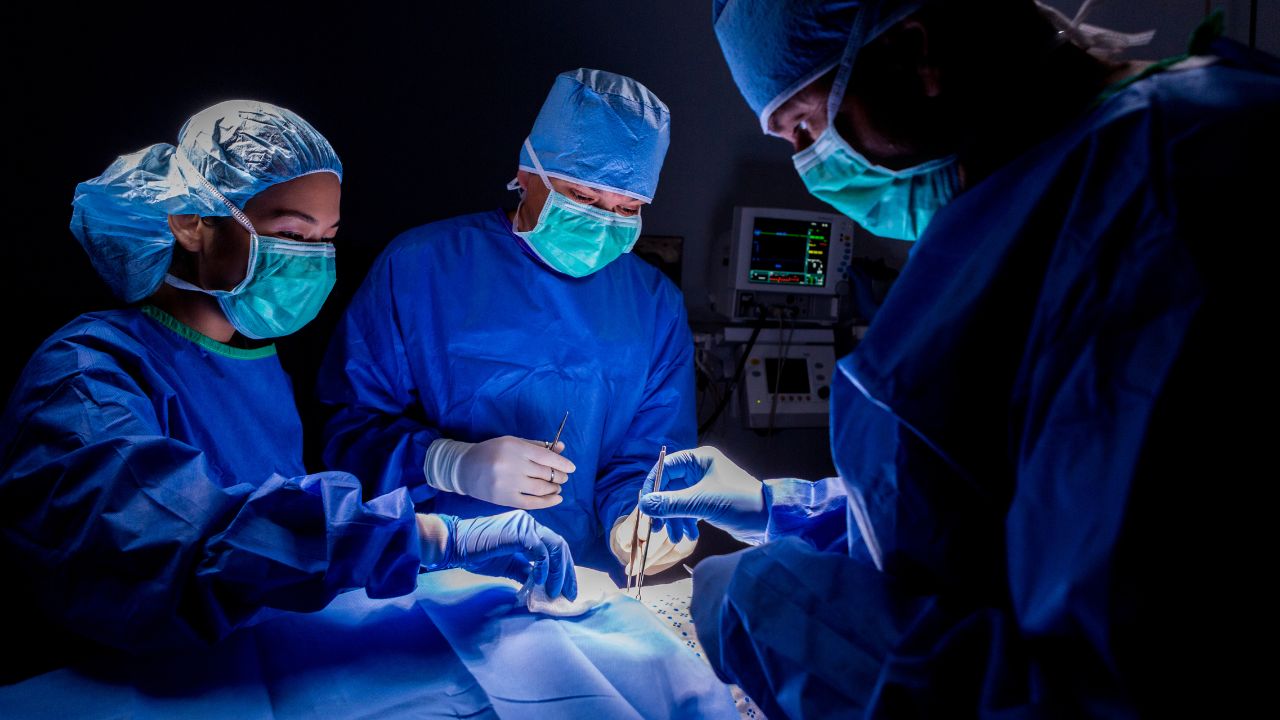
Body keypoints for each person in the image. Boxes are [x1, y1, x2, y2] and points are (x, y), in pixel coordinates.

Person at [638, 1, 1279, 716]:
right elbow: (989, 519)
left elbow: (1105, 687)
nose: (806, 167)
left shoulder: (1169, 189)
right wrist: (784, 511)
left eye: (805, 129)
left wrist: (785, 620)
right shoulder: (1043, 190)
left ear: (914, 53)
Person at [0, 100, 575, 684]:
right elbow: (183, 541)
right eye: (291, 234)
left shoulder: (257, 363)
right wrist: (425, 535)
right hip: (125, 686)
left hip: (248, 668)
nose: (313, 261)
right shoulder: (85, 374)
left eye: (326, 238)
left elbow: (278, 538)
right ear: (189, 222)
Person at [318, 69, 698, 577]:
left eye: (627, 207)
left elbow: (648, 457)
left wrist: (637, 518)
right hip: (428, 574)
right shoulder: (420, 266)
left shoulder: (655, 305)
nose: (602, 221)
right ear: (528, 171)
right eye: (583, 198)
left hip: (575, 580)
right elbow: (348, 432)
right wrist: (449, 464)